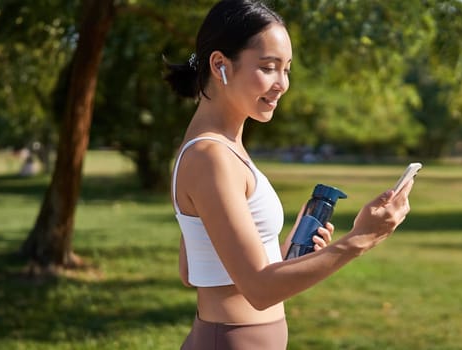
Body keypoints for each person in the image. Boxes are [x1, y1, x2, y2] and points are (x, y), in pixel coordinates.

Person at [162, 1, 414, 349]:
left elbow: (195, 270)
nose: (282, 84)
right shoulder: (211, 156)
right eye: (268, 67)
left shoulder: (219, 149)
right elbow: (260, 290)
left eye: (287, 70)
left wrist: (284, 253)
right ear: (220, 65)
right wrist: (362, 238)